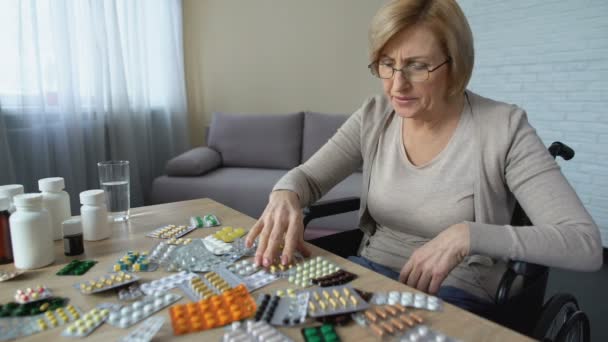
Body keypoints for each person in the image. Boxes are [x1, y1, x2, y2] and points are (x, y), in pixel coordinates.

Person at [245, 0, 602, 315]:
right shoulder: (374, 115)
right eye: (387, 64)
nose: (396, 86)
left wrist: (467, 235)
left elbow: (584, 245)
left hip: (458, 290)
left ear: (455, 65)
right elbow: (306, 179)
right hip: (369, 270)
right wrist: (285, 194)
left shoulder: (503, 128)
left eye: (417, 66)